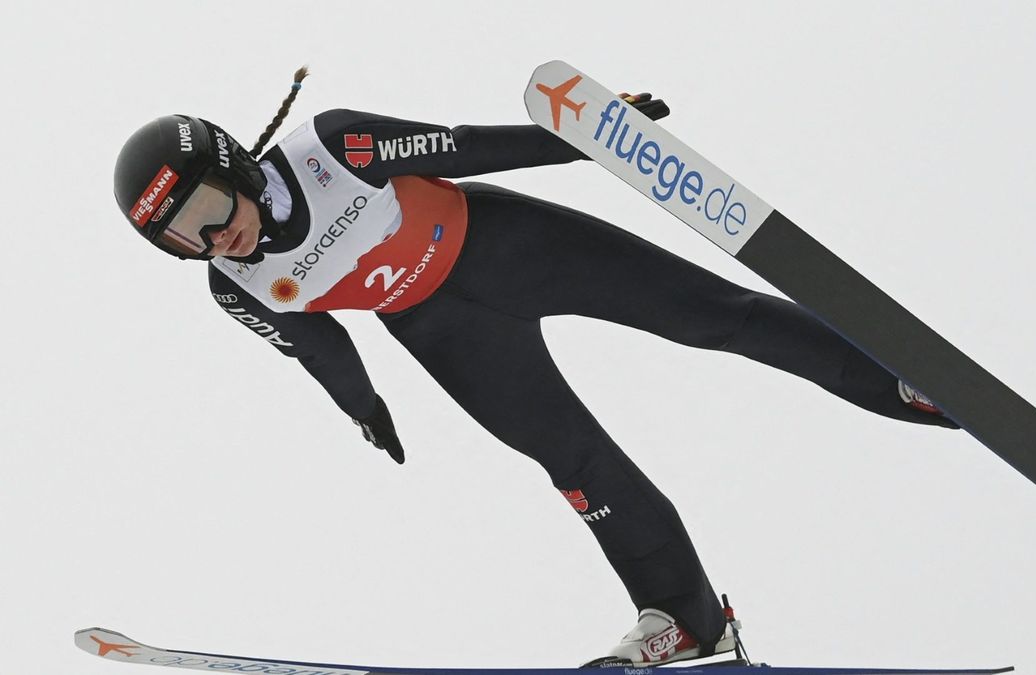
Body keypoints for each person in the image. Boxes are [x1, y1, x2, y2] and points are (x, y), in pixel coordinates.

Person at [112, 68, 956, 667]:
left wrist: (587, 140)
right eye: (185, 239)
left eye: (212, 213)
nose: (216, 239)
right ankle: (689, 621)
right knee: (576, 464)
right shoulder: (235, 284)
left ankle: (898, 382)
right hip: (441, 330)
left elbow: (465, 145)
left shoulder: (331, 148)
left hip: (508, 247)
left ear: (232, 169)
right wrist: (364, 405)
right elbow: (314, 342)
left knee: (712, 315)